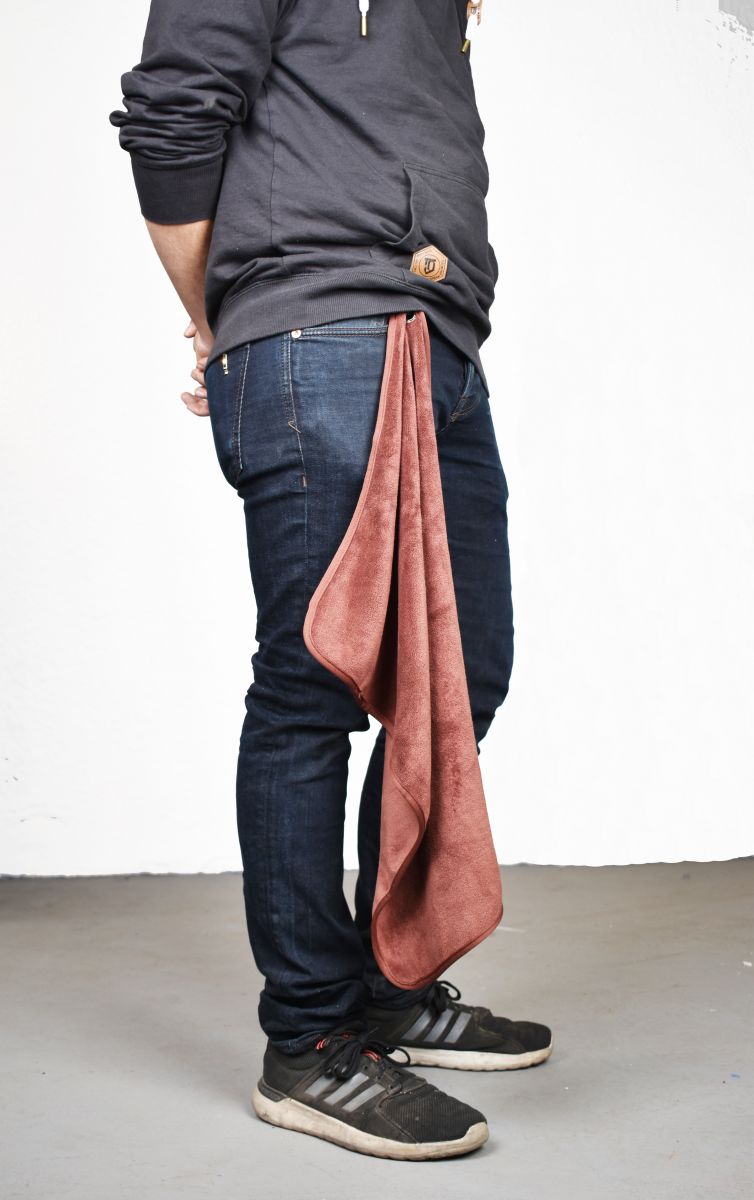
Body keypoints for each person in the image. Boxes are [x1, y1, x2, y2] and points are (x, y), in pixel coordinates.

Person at [109, 0, 553, 1161]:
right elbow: (173, 112)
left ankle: (381, 990)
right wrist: (218, 315)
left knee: (463, 673)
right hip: (321, 335)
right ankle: (307, 1041)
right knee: (311, 685)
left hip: (436, 339)